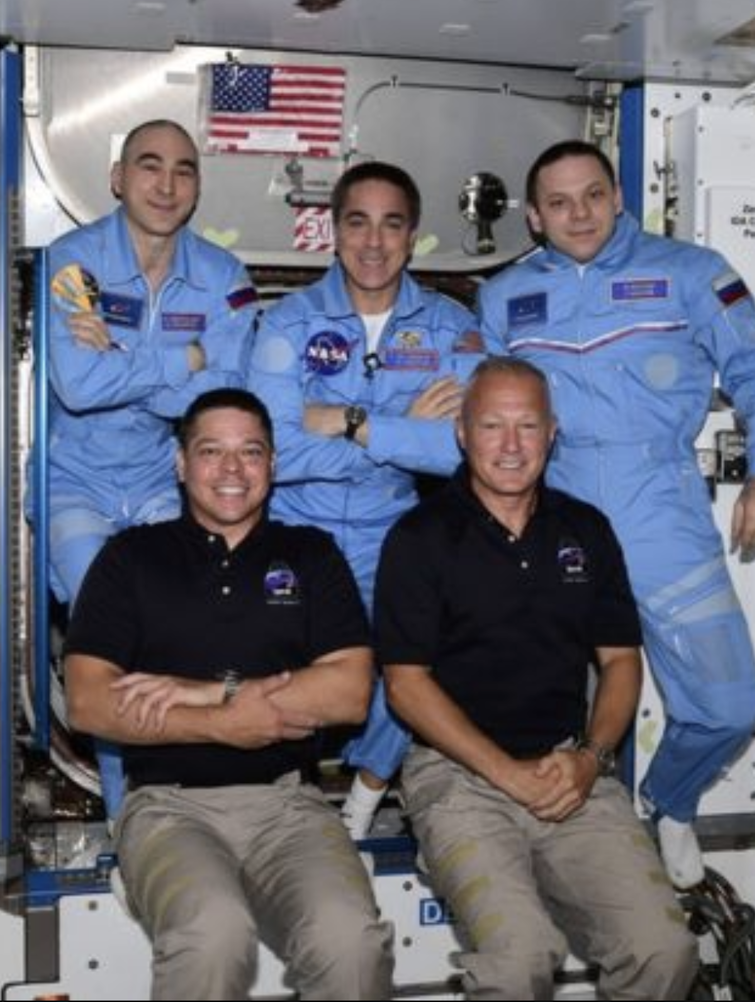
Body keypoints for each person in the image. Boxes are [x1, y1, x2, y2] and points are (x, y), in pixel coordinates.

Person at [476, 140, 755, 888]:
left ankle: (670, 799)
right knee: (524, 695)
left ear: (618, 196)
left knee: (728, 703)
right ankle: (529, 827)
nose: (578, 213)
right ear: (533, 216)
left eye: (592, 195)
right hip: (548, 514)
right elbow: (478, 411)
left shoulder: (689, 271)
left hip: (660, 508)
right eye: (558, 202)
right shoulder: (502, 297)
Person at [377, 358, 698, 1000]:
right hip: (459, 778)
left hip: (567, 771)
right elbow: (405, 685)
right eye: (493, 425)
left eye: (528, 425)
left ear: (552, 434)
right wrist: (506, 773)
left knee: (666, 952)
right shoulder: (421, 537)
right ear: (462, 433)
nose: (512, 444)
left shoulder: (586, 530)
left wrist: (590, 759)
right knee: (519, 958)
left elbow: (620, 663)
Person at [64, 388, 395, 1001]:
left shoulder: (312, 555)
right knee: (214, 934)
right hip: (168, 808)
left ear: (273, 464)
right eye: (211, 451)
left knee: (351, 940)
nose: (232, 470)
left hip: (290, 808)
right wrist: (223, 725)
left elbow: (349, 692)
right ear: (180, 463)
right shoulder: (130, 559)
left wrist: (212, 692)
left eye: (251, 452)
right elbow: (89, 700)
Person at [247, 160, 481, 839]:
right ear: (333, 232)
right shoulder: (289, 322)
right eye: (357, 222)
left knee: (418, 663)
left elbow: (460, 450)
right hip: (296, 523)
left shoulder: (451, 328)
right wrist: (407, 424)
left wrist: (349, 419)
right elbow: (277, 454)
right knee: (267, 666)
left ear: (412, 238)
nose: (373, 242)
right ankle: (280, 797)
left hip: (394, 529)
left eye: (392, 224)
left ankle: (367, 792)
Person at [45, 119, 259, 814]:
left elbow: (227, 390)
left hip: (162, 480)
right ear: (116, 178)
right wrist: (183, 359)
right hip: (76, 480)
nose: (166, 185)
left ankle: (189, 797)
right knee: (111, 639)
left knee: (189, 631)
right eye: (149, 165)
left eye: (184, 170)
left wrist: (123, 360)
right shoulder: (71, 262)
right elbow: (76, 388)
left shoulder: (225, 278)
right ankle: (124, 811)